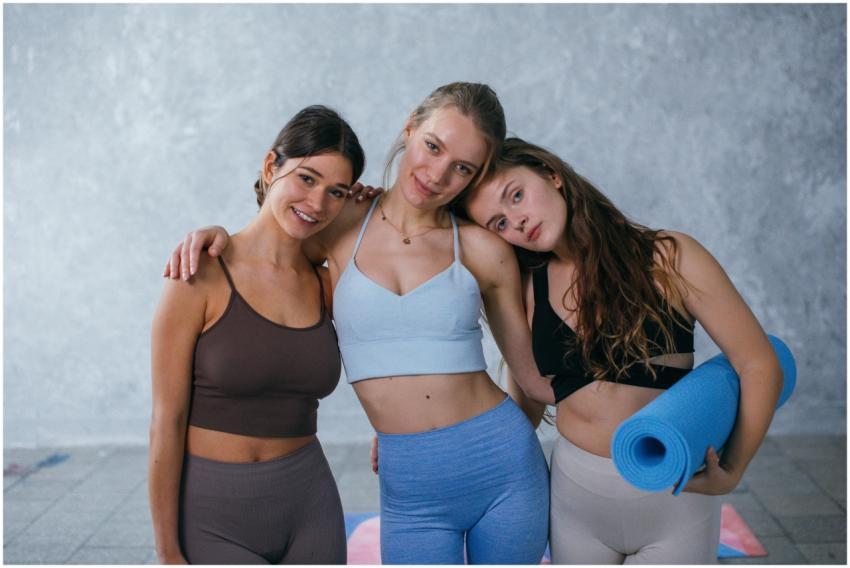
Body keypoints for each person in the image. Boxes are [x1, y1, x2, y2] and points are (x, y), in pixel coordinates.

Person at [162, 83, 550, 565]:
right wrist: (214, 236)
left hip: (504, 462)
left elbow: (532, 378)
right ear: (409, 129)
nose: (436, 174)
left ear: (476, 175)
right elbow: (262, 252)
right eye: (432, 146)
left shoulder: (482, 249)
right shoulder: (339, 220)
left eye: (463, 168)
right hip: (410, 483)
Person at [460, 137, 784, 564]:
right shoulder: (526, 285)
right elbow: (527, 394)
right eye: (499, 223)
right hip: (576, 501)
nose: (516, 222)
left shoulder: (667, 258)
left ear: (551, 174)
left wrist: (734, 468)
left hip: (671, 496)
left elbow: (758, 363)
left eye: (516, 196)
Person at [149, 105, 365, 564]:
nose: (317, 203)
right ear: (272, 167)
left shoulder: (327, 282)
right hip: (213, 515)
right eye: (306, 178)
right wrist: (167, 551)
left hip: (310, 506)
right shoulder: (197, 273)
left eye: (336, 191)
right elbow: (166, 420)